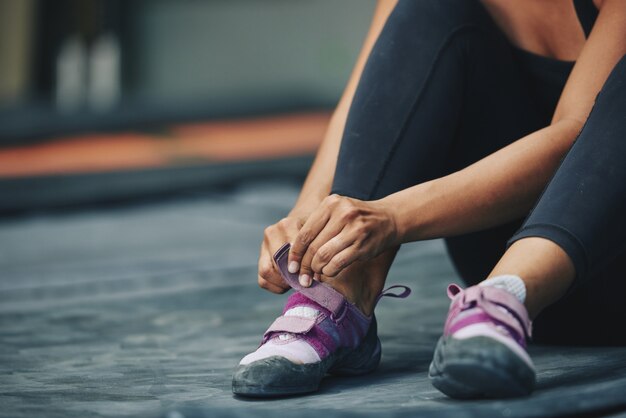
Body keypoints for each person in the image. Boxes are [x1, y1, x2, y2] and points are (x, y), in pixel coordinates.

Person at [232, 0, 626, 399]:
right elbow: (368, 91)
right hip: (490, 281)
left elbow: (579, 136)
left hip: (602, 265)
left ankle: (508, 292)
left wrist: (392, 217)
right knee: (428, 7)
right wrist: (308, 216)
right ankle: (340, 296)